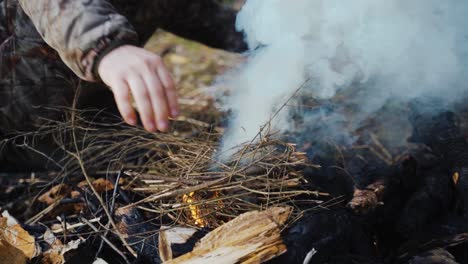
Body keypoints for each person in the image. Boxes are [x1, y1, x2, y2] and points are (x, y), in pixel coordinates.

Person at [0, 0, 246, 170]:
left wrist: (273, 42)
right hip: (11, 122)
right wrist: (104, 46)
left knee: (152, 160)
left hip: (82, 120)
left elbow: (203, 16)